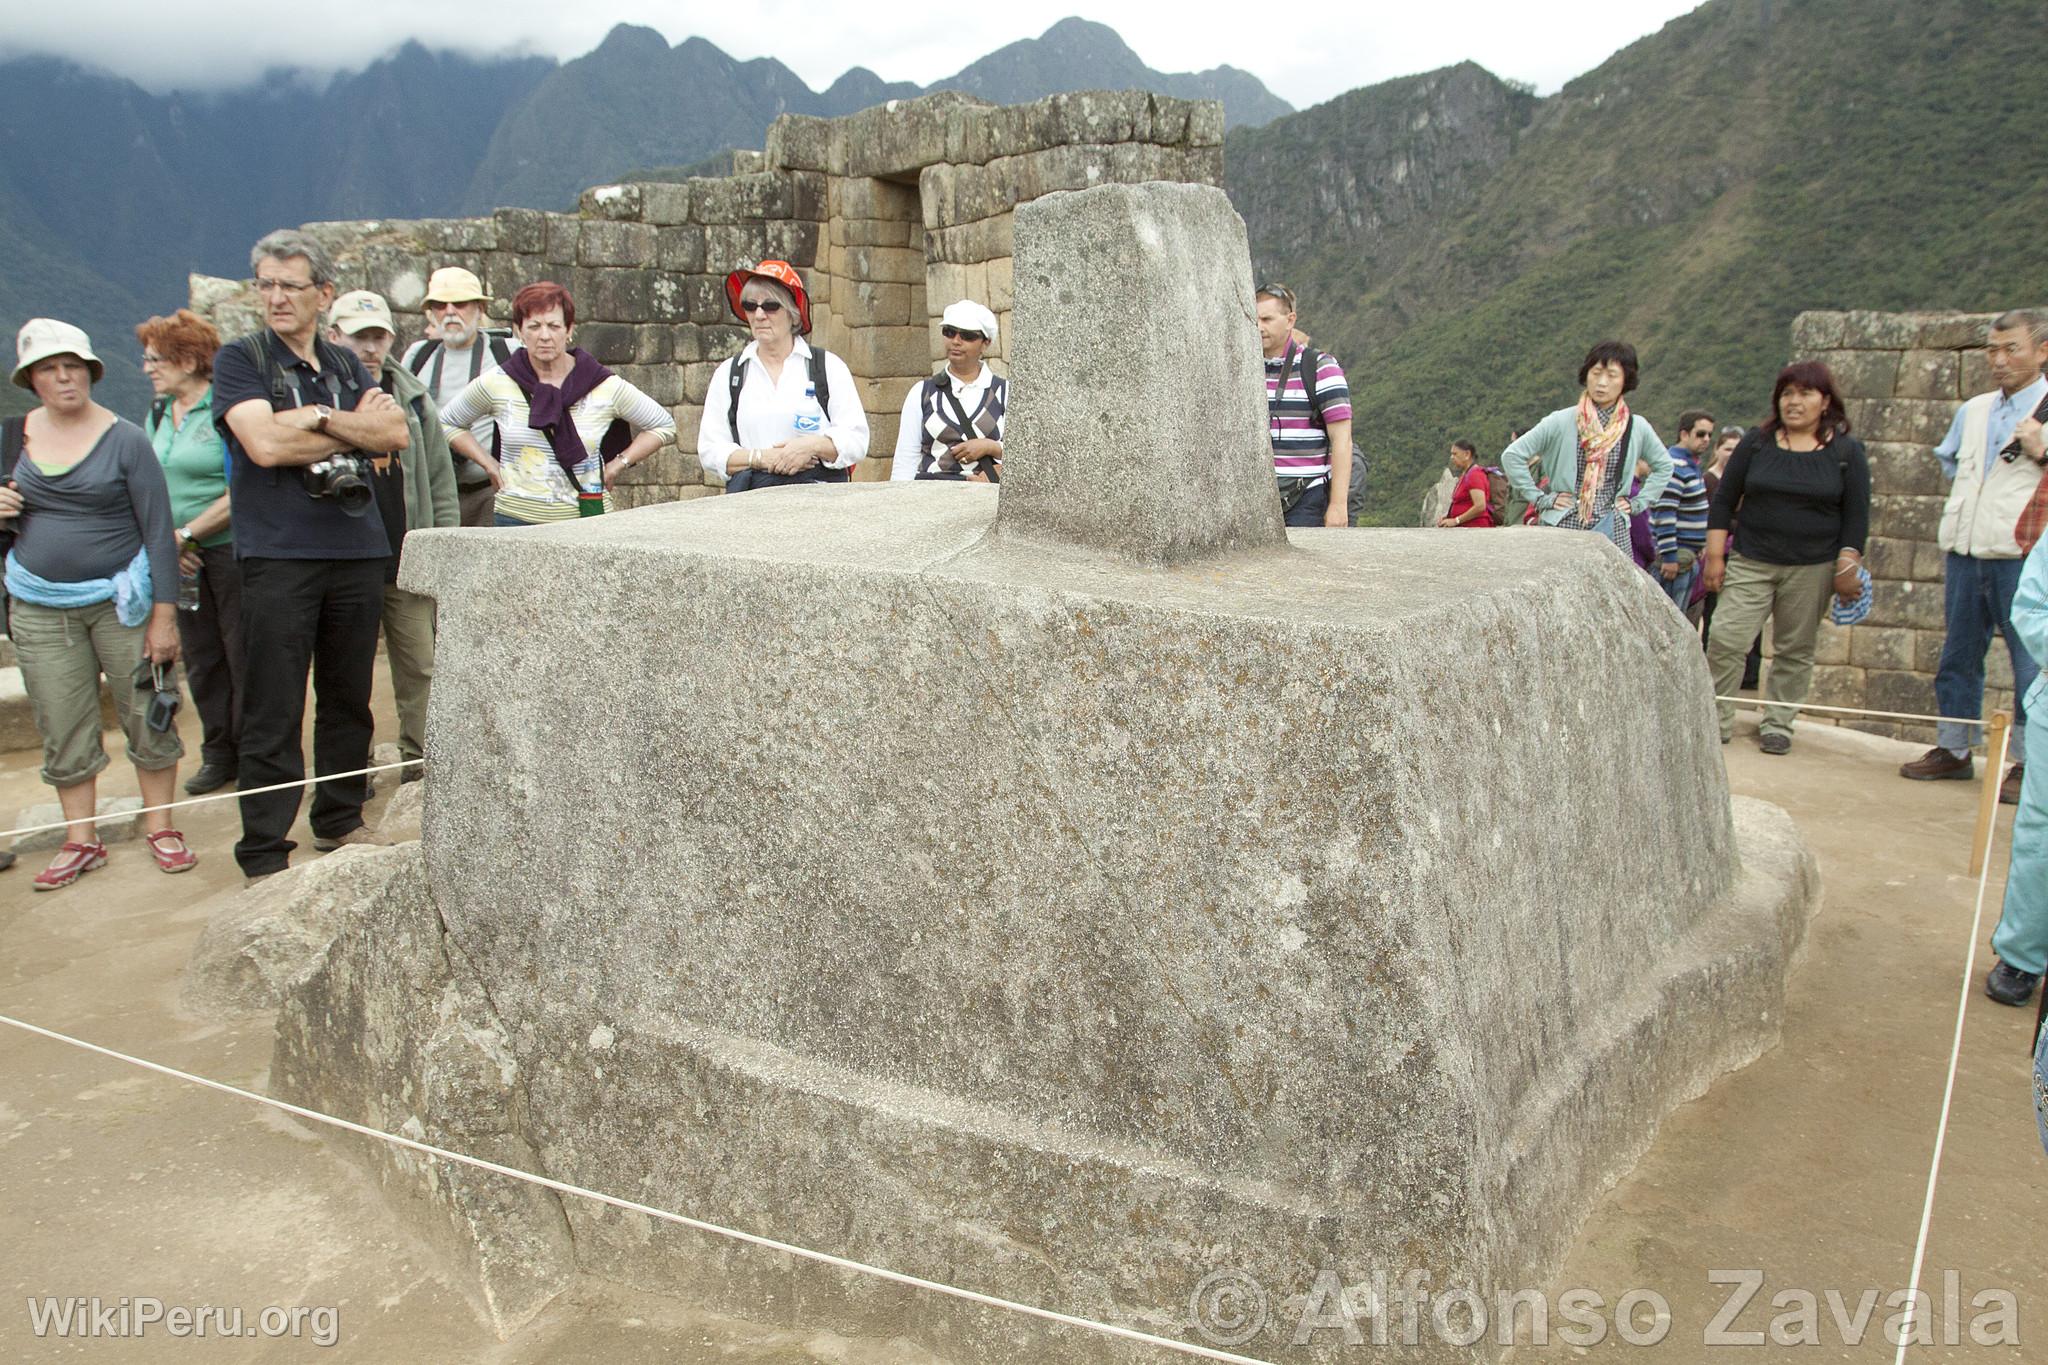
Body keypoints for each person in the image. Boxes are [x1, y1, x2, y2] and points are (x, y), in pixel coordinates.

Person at [213, 229, 411, 878]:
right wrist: (346, 428)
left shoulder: (345, 363)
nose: (275, 298)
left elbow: (394, 431)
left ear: (322, 295)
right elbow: (263, 447)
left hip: (355, 546)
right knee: (274, 702)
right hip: (278, 553)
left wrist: (317, 419)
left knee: (349, 693)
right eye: (265, 284)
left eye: (289, 286)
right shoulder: (240, 360)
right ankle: (266, 850)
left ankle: (340, 818)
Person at [0, 319, 191, 888]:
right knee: (61, 717)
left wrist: (164, 615)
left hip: (122, 602)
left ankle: (161, 825)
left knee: (145, 710)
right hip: (37, 602)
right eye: (50, 368)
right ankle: (81, 838)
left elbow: (159, 532)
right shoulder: (12, 438)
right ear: (32, 378)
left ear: (90, 372)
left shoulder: (125, 438)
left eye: (73, 366)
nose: (64, 377)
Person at [1899, 310, 2048, 802]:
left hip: (2022, 553)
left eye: (2012, 349)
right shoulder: (1975, 409)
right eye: (1992, 350)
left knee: (2030, 662)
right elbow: (1952, 463)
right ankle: (1954, 748)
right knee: (1959, 653)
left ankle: (2029, 762)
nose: (1999, 360)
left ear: (2042, 351)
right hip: (1966, 547)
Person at [1702, 361, 1870, 755]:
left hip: (1812, 566)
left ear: (1825, 401)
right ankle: (1715, 716)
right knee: (1726, 637)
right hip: (1752, 559)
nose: (1794, 402)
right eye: (1787, 394)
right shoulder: (1757, 444)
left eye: (1805, 394)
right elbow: (1725, 499)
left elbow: (1857, 514)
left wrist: (1848, 563)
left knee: (1795, 648)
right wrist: (1714, 555)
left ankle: (1778, 722)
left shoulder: (1846, 452)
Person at [329, 290, 459, 778]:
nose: (369, 348)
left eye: (378, 336)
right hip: (345, 557)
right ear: (334, 336)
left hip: (405, 552)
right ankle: (347, 768)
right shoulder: (327, 396)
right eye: (359, 337)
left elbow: (439, 479)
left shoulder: (413, 397)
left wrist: (442, 544)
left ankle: (422, 761)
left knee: (420, 664)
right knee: (347, 671)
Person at [442, 281, 675, 525]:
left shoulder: (600, 384)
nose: (544, 336)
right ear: (519, 330)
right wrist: (488, 464)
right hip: (515, 521)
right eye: (534, 326)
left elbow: (662, 425)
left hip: (585, 519)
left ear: (569, 329)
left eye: (554, 326)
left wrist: (618, 464)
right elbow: (449, 422)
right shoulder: (498, 382)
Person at [137, 308, 240, 797]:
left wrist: (186, 535)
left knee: (243, 653)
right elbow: (148, 484)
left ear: (190, 359)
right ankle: (219, 752)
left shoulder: (225, 407)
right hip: (182, 555)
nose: (147, 367)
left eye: (157, 358)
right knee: (201, 656)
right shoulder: (159, 412)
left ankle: (256, 751)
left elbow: (242, 486)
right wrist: (170, 542)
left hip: (230, 550)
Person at [699, 261, 867, 490]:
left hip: (820, 501)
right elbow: (710, 449)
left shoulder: (828, 367)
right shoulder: (729, 373)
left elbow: (856, 440)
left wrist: (812, 446)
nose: (759, 315)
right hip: (752, 502)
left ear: (793, 313)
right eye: (750, 305)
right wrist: (760, 458)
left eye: (770, 306)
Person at [1501, 342, 1672, 554]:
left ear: (1626, 380)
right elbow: (1513, 456)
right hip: (1563, 523)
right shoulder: (1561, 421)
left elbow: (1664, 466)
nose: (1602, 383)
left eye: (1612, 375)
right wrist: (1539, 499)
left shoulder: (1636, 427)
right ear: (1586, 374)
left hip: (1613, 528)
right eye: (1596, 373)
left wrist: (1638, 503)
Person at [401, 267, 516, 528]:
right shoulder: (418, 356)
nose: (450, 312)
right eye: (440, 305)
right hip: (433, 493)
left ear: (479, 308)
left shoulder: (507, 354)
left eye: (460, 303)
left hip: (491, 492)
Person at [1254, 284, 1353, 528]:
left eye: (1267, 319)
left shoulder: (1320, 368)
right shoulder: (1244, 368)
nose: (1259, 327)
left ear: (1290, 320)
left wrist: (1338, 506)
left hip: (1305, 498)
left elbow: (1342, 438)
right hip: (1254, 497)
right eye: (1254, 319)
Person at [891, 300, 1005, 482]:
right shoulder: (922, 393)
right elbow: (906, 459)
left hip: (984, 498)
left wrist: (991, 447)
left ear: (986, 343)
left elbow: (1029, 458)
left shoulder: (1005, 393)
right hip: (932, 497)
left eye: (967, 336)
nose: (956, 341)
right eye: (950, 332)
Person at [1653, 410, 1714, 613]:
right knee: (1667, 618)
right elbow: (1665, 513)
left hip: (1688, 556)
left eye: (1709, 435)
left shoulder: (1691, 466)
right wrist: (1669, 557)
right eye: (1700, 434)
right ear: (1684, 434)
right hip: (1674, 561)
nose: (1706, 440)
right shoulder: (1674, 466)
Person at [1436, 440, 1493, 527]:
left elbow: (1480, 506)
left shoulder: (1475, 474)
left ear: (1467, 454)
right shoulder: (1466, 474)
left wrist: (1456, 520)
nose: (1452, 457)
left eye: (1455, 454)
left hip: (1476, 528)